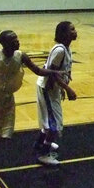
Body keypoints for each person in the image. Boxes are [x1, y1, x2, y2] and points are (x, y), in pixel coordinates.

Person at [0, 30, 58, 177]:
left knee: (2, 134)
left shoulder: (21, 56)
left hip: (7, 100)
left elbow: (38, 70)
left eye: (17, 39)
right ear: (4, 44)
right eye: (14, 40)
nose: (17, 41)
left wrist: (54, 72)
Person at [34, 21, 78, 166]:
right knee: (54, 124)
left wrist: (62, 88)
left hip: (53, 89)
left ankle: (40, 143)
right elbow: (52, 73)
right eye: (72, 29)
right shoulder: (60, 50)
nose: (75, 31)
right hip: (47, 88)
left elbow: (61, 71)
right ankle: (44, 154)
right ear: (64, 34)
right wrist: (67, 89)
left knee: (49, 120)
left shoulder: (66, 48)